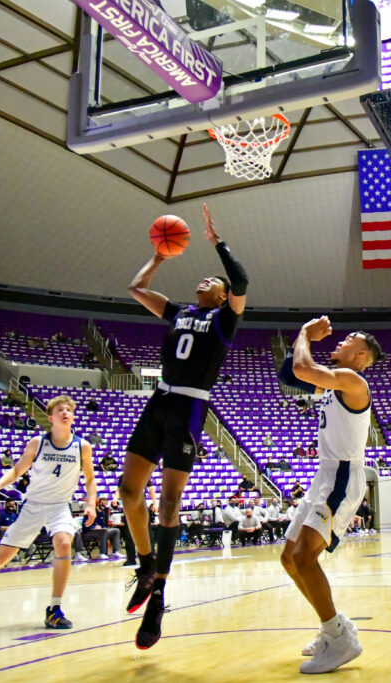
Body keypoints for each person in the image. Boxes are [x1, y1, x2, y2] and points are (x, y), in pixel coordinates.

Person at [117, 204, 248, 650]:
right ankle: (146, 566)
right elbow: (136, 288)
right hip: (160, 400)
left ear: (221, 294)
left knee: (168, 504)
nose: (203, 282)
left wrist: (218, 245)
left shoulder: (224, 322)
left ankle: (158, 601)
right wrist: (158, 257)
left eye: (211, 281)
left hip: (190, 409)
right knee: (128, 492)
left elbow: (242, 283)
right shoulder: (178, 312)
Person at [277, 316, 383, 674]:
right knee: (290, 559)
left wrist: (305, 333)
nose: (340, 341)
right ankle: (332, 628)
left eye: (349, 338)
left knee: (306, 557)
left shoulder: (352, 381)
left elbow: (303, 367)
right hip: (323, 475)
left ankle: (341, 639)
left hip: (342, 475)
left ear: (362, 354)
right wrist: (301, 339)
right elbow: (290, 374)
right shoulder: (334, 384)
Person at [0, 395, 96, 629]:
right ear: (50, 418)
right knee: (2, 557)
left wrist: (90, 503)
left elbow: (90, 480)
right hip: (34, 505)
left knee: (64, 543)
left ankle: (54, 609)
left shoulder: (82, 446)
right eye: (60, 410)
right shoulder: (38, 443)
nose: (65, 412)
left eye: (69, 410)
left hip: (60, 506)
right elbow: (17, 471)